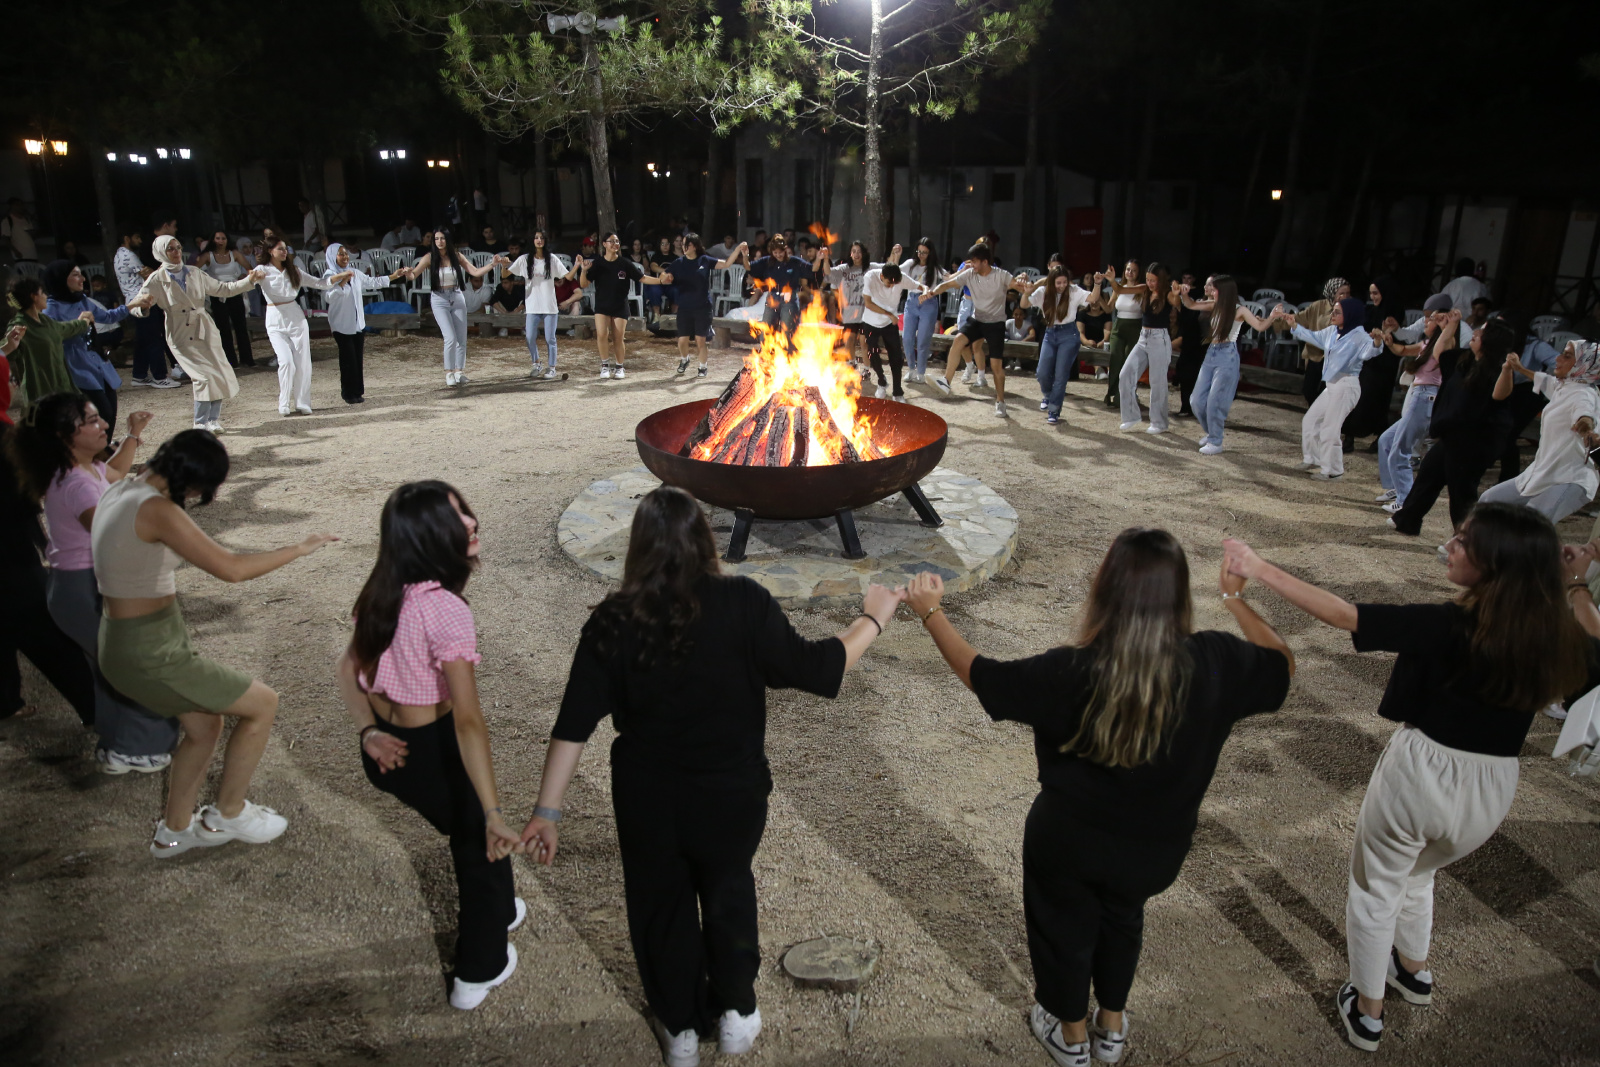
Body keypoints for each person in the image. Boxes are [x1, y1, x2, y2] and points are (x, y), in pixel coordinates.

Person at [520, 486, 898, 1066]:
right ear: (704, 540)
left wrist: (547, 812)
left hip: (648, 797)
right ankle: (736, 1012)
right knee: (728, 889)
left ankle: (679, 1030)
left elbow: (572, 726)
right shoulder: (745, 602)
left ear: (637, 548)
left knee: (659, 904)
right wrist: (872, 618)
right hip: (731, 794)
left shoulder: (612, 621)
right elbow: (819, 668)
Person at [906, 529, 1292, 1067]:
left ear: (1105, 588)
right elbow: (1281, 664)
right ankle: (1110, 1027)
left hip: (1069, 843)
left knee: (1063, 930)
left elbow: (982, 677)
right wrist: (1235, 598)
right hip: (1156, 851)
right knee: (1124, 917)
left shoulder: (1071, 670)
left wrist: (931, 613)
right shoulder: (1216, 662)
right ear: (1180, 595)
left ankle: (1070, 1036)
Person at [1222, 505, 1599, 1054]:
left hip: (1423, 768)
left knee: (1376, 889)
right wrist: (1574, 583)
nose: (1451, 544)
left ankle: (1368, 1011)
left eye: (1466, 541)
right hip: (1495, 784)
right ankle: (1414, 973)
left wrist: (1257, 569)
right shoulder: (1555, 635)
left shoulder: (1454, 623)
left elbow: (1344, 615)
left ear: (1495, 563)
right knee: (1420, 874)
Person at [91, 429, 337, 856]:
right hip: (150, 651)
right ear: (192, 480)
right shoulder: (157, 510)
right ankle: (229, 812)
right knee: (263, 703)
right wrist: (299, 548)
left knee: (205, 726)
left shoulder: (122, 488)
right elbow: (232, 569)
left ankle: (173, 831)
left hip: (129, 641)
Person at [336, 481, 522, 1010]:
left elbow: (346, 669)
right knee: (479, 846)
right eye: (453, 519)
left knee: (468, 832)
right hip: (429, 746)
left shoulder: (379, 590)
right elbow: (468, 722)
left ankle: (505, 908)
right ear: (423, 539)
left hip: (386, 749)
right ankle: (478, 969)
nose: (469, 522)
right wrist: (492, 811)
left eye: (464, 509)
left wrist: (367, 732)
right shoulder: (444, 610)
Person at [8, 393, 179, 771]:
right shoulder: (76, 484)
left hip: (75, 586)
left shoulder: (82, 469)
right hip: (82, 588)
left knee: (106, 666)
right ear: (64, 434)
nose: (104, 425)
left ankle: (116, 740)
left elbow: (115, 474)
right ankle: (132, 748)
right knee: (125, 666)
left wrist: (134, 435)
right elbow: (112, 532)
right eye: (92, 421)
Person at [0, 323, 97, 727]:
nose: (11, 383)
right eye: (6, 378)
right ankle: (104, 715)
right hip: (8, 555)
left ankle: (5, 700)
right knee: (47, 634)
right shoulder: (3, 437)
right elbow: (17, 501)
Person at [1390, 317, 1516, 538]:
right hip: (1452, 436)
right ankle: (1407, 520)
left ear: (1492, 341)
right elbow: (1439, 352)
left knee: (1462, 493)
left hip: (1474, 443)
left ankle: (1469, 539)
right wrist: (1449, 326)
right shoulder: (1465, 360)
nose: (1476, 332)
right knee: (1428, 476)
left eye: (1483, 331)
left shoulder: (1496, 371)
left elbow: (1499, 396)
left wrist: (1507, 370)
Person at [126, 235, 264, 431]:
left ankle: (213, 420)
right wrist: (144, 307)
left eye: (178, 247)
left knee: (217, 373)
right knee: (202, 377)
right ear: (160, 253)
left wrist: (250, 281)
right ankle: (200, 422)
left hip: (204, 328)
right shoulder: (157, 279)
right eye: (170, 249)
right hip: (180, 333)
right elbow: (136, 305)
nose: (176, 252)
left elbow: (224, 289)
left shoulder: (194, 272)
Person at [1476, 340, 1600, 523]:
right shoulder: (1565, 386)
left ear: (1584, 364)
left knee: (1531, 524)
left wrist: (1587, 429)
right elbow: (1546, 382)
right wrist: (1520, 368)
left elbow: (1585, 414)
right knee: (1489, 501)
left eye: (1566, 356)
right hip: (1544, 472)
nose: (1557, 358)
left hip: (1569, 478)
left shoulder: (1583, 394)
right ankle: (1471, 548)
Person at [922, 243, 1030, 418]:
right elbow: (947, 284)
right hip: (977, 319)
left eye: (974, 261)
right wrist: (931, 292)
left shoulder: (1001, 275)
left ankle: (1000, 402)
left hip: (996, 323)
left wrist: (1024, 280)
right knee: (958, 340)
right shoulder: (970, 274)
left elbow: (1018, 286)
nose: (971, 264)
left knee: (996, 366)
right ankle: (946, 382)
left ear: (985, 261)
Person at [1284, 298, 1384, 479]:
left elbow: (1369, 351)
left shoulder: (1359, 336)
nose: (1333, 315)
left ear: (1350, 315)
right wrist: (1294, 325)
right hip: (1332, 385)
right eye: (1333, 311)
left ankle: (1333, 471)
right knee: (1311, 420)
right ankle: (1313, 458)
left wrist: (1377, 342)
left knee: (1330, 428)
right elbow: (1313, 337)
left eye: (1337, 312)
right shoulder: (1332, 331)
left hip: (1346, 385)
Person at [1181, 275, 1280, 455]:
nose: (1211, 291)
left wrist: (1272, 317)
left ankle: (1216, 441)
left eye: (1215, 288)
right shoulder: (1213, 304)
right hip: (1211, 353)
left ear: (1224, 291)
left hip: (1227, 355)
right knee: (1196, 400)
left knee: (1214, 401)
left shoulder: (1240, 310)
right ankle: (1212, 433)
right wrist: (1184, 294)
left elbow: (1259, 326)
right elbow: (1191, 305)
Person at [1374, 296, 1456, 514]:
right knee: (1386, 440)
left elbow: (1445, 343)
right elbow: (1403, 350)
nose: (1425, 323)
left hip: (1426, 397)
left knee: (1400, 450)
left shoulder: (1445, 344)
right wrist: (1390, 343)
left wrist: (1448, 323)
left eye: (1429, 321)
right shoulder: (1426, 344)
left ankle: (1405, 500)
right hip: (1419, 395)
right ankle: (1396, 489)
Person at [257, 237, 350, 415]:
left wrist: (339, 277)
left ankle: (302, 402)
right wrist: (253, 277)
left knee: (303, 361)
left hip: (296, 317)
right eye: (280, 249)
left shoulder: (294, 271)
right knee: (285, 361)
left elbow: (319, 283)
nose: (284, 252)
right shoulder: (263, 270)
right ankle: (283, 402)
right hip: (274, 317)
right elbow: (249, 280)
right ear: (270, 251)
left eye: (285, 249)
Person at [401, 230, 498, 387]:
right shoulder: (429, 257)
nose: (439, 241)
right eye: (437, 239)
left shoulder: (457, 256)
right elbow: (414, 275)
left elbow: (474, 271)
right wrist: (407, 273)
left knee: (461, 337)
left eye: (442, 238)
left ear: (448, 240)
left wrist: (492, 264)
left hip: (456, 295)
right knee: (450, 337)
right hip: (439, 298)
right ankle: (449, 372)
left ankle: (459, 372)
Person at [44, 261, 129, 433]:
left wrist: (132, 306)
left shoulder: (82, 299)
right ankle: (93, 454)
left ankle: (104, 455)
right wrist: (79, 323)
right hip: (76, 365)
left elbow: (107, 317)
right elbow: (52, 337)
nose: (83, 278)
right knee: (101, 411)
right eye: (75, 275)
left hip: (96, 360)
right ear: (60, 280)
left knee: (110, 412)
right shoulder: (50, 309)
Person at [578, 233, 667, 381]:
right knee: (601, 335)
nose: (615, 244)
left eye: (617, 241)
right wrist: (584, 270)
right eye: (611, 241)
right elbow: (583, 284)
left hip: (620, 305)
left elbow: (642, 278)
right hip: (602, 305)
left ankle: (619, 367)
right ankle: (605, 365)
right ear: (604, 245)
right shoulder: (598, 263)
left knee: (618, 338)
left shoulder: (624, 263)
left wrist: (661, 281)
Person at [325, 243, 406, 405]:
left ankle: (358, 391)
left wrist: (393, 276)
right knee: (347, 359)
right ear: (333, 257)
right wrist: (342, 282)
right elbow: (329, 297)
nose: (345, 257)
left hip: (357, 324)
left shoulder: (354, 272)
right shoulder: (330, 275)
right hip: (341, 325)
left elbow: (372, 282)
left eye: (346, 254)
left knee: (357, 358)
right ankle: (347, 392)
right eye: (341, 254)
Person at [662, 234, 747, 379]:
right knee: (682, 340)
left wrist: (738, 249)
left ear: (694, 246)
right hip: (685, 307)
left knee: (700, 339)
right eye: (683, 245)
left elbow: (726, 264)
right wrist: (665, 278)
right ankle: (685, 359)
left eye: (686, 245)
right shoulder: (678, 263)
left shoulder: (705, 260)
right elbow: (664, 276)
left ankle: (702, 366)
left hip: (702, 307)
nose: (683, 248)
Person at [1019, 267, 1093, 426]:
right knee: (1042, 372)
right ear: (1052, 282)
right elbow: (1024, 304)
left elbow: (1092, 298)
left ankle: (1054, 410)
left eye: (1064, 282)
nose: (1062, 285)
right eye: (1058, 282)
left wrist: (1099, 285)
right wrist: (1026, 292)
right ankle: (1047, 394)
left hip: (1069, 334)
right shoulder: (1043, 291)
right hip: (1050, 332)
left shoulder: (1073, 290)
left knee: (1061, 375)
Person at [1112, 262, 1179, 435]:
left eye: (1153, 280)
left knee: (1157, 382)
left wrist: (1179, 294)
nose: (1150, 283)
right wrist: (1112, 280)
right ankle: (1131, 416)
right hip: (1143, 338)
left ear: (1161, 280)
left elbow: (1178, 303)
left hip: (1160, 339)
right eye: (1148, 279)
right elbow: (1120, 290)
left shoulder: (1167, 294)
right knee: (1125, 374)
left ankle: (1160, 422)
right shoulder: (1143, 290)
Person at [8, 277, 94, 406]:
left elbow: (64, 328)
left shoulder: (45, 321)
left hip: (62, 389)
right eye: (42, 292)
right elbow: (5, 351)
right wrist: (9, 345)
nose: (46, 296)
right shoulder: (19, 326)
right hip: (40, 395)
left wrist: (83, 321)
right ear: (34, 297)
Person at [507, 231, 580, 379]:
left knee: (550, 338)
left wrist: (577, 265)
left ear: (546, 241)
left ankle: (551, 367)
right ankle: (536, 362)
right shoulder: (525, 259)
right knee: (529, 336)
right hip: (532, 304)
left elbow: (568, 276)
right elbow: (507, 273)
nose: (539, 240)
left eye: (541, 238)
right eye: (536, 238)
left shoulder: (552, 259)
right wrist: (503, 265)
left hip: (549, 305)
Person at [114, 227, 179, 389]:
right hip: (142, 301)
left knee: (143, 340)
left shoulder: (119, 255)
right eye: (136, 237)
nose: (140, 241)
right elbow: (149, 275)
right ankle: (160, 376)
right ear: (127, 238)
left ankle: (140, 375)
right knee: (153, 338)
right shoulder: (128, 256)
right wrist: (164, 267)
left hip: (135, 300)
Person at [858, 258, 925, 401]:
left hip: (890, 323)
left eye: (895, 283)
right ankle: (881, 382)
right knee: (872, 353)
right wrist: (889, 314)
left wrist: (926, 292)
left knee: (896, 356)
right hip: (871, 322)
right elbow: (868, 303)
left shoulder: (900, 278)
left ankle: (897, 391)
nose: (892, 286)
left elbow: (921, 286)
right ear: (882, 277)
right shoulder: (870, 277)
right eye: (890, 283)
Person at [194, 231, 256, 368]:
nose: (221, 241)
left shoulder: (235, 254)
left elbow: (249, 269)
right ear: (213, 240)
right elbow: (193, 271)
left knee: (240, 326)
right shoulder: (208, 256)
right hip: (218, 293)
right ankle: (230, 361)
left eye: (223, 238)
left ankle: (247, 358)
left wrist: (243, 279)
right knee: (224, 328)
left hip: (234, 291)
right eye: (218, 238)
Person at [899, 238, 945, 384]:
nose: (921, 255)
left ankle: (920, 372)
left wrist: (962, 271)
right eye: (919, 251)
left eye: (924, 252)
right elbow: (894, 270)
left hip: (928, 302)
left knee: (923, 340)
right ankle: (911, 369)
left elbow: (949, 277)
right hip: (912, 301)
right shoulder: (910, 264)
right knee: (907, 338)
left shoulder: (935, 268)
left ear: (930, 253)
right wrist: (895, 256)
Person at [744, 235, 813, 330]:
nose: (778, 255)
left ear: (785, 250)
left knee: (788, 328)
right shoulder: (767, 261)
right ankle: (766, 344)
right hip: (772, 296)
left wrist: (821, 258)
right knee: (767, 328)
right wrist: (745, 255)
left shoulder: (794, 261)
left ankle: (788, 344)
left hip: (789, 297)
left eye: (780, 252)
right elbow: (748, 267)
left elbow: (812, 269)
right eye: (775, 252)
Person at [1101, 260, 1145, 409]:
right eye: (1127, 269)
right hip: (1118, 327)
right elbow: (1108, 309)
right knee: (1115, 358)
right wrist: (1097, 293)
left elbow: (1119, 289)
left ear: (1139, 273)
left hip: (1135, 328)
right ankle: (1112, 393)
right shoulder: (1117, 288)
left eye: (1133, 270)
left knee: (1129, 362)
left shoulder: (1142, 288)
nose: (1130, 273)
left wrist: (1113, 281)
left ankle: (1125, 396)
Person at [1173, 272, 1206, 418]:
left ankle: (1201, 409)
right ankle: (1186, 407)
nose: (1207, 287)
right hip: (1191, 340)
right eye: (1207, 284)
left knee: (1201, 378)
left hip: (1209, 345)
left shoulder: (1217, 303)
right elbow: (1186, 313)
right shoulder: (1198, 301)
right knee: (1186, 374)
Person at [3, 198, 37, 262]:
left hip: (32, 253)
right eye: (17, 205)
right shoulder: (7, 221)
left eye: (22, 204)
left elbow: (32, 234)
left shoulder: (26, 219)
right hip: (20, 254)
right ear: (11, 206)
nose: (20, 207)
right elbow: (5, 239)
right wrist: (15, 251)